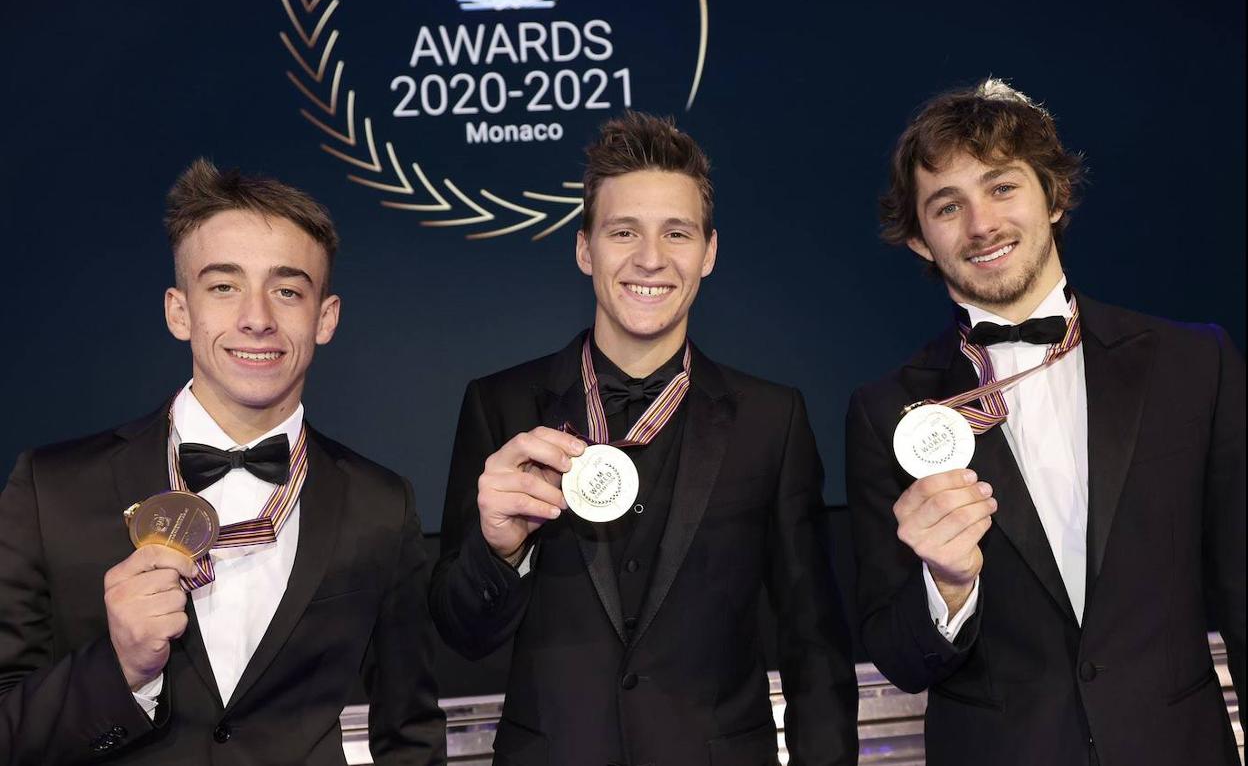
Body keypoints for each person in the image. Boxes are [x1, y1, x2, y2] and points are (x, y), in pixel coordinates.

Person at [431, 111, 858, 765]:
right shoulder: (502, 406)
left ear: (709, 253)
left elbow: (814, 646)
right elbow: (464, 635)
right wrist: (497, 551)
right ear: (585, 248)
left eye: (676, 233)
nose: (650, 259)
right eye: (623, 231)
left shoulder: (773, 420)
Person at [846, 78, 1245, 765]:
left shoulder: (1192, 364)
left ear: (1053, 196)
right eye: (948, 206)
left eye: (1002, 188)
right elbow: (899, 656)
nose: (982, 225)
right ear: (918, 240)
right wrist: (947, 586)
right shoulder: (887, 413)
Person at [0, 159, 446, 765]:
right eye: (223, 286)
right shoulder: (50, 491)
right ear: (178, 310)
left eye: (287, 290)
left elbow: (412, 734)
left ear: (326, 318)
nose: (257, 318)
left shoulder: (380, 504)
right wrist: (122, 669)